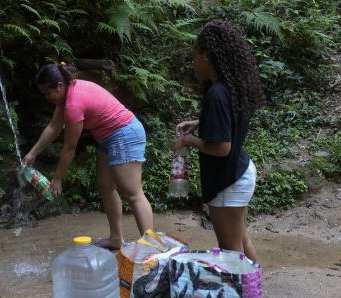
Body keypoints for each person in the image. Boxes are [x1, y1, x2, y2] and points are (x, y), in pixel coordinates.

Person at [23, 63, 154, 250]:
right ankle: (116, 238)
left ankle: (151, 247)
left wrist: (58, 178)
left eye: (47, 93)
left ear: (59, 86)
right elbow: (53, 127)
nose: (46, 98)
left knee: (132, 192)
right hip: (109, 136)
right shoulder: (67, 94)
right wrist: (33, 153)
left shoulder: (73, 104)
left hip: (124, 133)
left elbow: (70, 147)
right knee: (105, 185)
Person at [172, 20, 264, 262]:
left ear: (208, 56)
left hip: (228, 182)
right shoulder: (231, 87)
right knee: (241, 240)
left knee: (232, 252)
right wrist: (200, 123)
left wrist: (190, 141)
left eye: (195, 57)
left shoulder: (217, 94)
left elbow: (222, 148)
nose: (194, 65)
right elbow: (228, 122)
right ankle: (254, 294)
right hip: (239, 173)